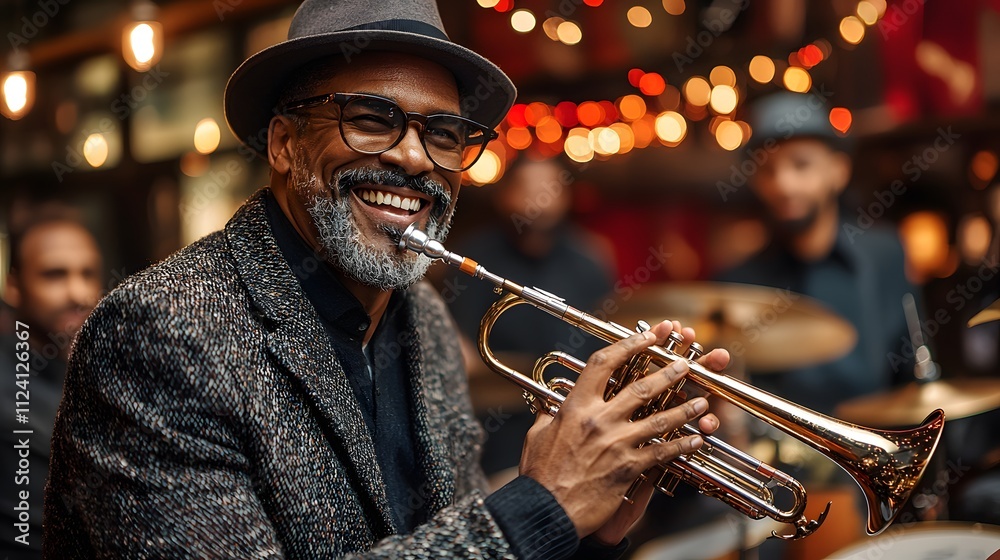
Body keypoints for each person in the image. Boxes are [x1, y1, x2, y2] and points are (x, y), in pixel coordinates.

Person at [43, 1, 726, 558]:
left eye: (445, 134)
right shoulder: (158, 331)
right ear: (284, 144)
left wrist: (589, 524)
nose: (413, 158)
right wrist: (537, 508)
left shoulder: (423, 317)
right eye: (372, 120)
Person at [717, 92, 916, 416]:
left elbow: (912, 364)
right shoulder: (739, 280)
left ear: (838, 170)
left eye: (801, 164)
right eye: (768, 171)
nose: (783, 184)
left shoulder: (885, 253)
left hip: (882, 437)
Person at [443, 156, 615, 478]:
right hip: (499, 421)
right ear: (504, 195)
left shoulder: (589, 260)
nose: (538, 199)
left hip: (577, 416)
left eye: (549, 189)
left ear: (566, 197)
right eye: (526, 189)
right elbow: (459, 346)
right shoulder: (474, 258)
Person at [1, 215, 103, 556]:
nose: (79, 292)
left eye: (88, 273)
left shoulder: (96, 369)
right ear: (13, 286)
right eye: (54, 274)